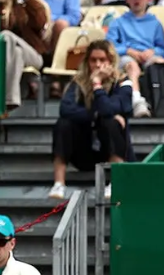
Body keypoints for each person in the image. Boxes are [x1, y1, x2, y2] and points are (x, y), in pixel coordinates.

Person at [50, 39, 133, 201]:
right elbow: (65, 109)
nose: (97, 64)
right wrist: (96, 114)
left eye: (102, 60)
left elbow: (111, 109)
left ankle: (115, 181)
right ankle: (59, 183)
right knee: (63, 123)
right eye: (93, 60)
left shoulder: (122, 82)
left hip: (110, 150)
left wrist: (97, 85)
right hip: (84, 151)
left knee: (111, 122)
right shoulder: (78, 82)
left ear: (111, 61)